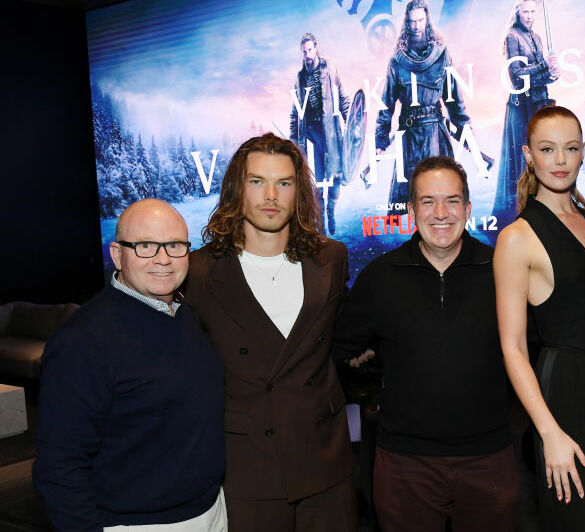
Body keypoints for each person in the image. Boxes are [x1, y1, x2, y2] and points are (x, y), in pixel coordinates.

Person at [333, 156, 517, 532]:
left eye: (452, 201)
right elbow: (341, 349)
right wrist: (378, 373)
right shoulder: (380, 277)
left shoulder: (501, 269)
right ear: (412, 210)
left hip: (489, 459)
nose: (441, 213)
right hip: (405, 464)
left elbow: (531, 348)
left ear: (468, 209)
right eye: (428, 201)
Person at [184, 133, 357, 532]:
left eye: (284, 183)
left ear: (299, 192)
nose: (271, 196)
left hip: (325, 458)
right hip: (248, 463)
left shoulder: (331, 258)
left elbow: (344, 340)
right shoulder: (200, 271)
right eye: (257, 181)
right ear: (237, 189)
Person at [34, 199, 226, 531]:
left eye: (175, 245)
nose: (163, 258)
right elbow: (59, 465)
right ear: (117, 254)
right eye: (145, 246)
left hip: (211, 511)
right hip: (139, 524)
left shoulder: (186, 315)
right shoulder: (82, 340)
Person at [494, 105, 585, 531]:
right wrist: (549, 433)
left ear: (583, 152)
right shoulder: (516, 239)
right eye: (547, 149)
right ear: (528, 155)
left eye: (570, 148)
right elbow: (513, 348)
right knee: (582, 519)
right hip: (567, 391)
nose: (560, 160)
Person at [375, 0, 471, 216]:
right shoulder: (397, 60)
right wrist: (380, 139)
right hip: (410, 136)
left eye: (420, 20)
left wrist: (466, 133)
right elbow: (386, 103)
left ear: (427, 20)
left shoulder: (441, 54)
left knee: (439, 196)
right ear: (407, 23)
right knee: (414, 200)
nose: (417, 26)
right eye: (412, 21)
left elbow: (454, 98)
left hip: (435, 134)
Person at [491, 0, 559, 229]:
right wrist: (543, 67)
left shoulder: (537, 38)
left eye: (532, 11)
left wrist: (552, 73)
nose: (529, 15)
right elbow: (517, 75)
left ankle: (540, 212)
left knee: (540, 157)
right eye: (525, 11)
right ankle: (520, 216)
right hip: (522, 106)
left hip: (538, 103)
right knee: (523, 160)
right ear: (517, 12)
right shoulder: (512, 37)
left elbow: (539, 78)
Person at [289, 32, 350, 235]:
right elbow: (295, 112)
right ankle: (321, 220)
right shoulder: (300, 79)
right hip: (311, 135)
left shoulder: (329, 68)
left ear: (316, 48)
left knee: (336, 178)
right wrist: (293, 142)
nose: (307, 54)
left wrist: (351, 123)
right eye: (304, 51)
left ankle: (331, 210)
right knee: (316, 181)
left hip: (330, 132)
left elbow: (342, 97)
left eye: (310, 50)